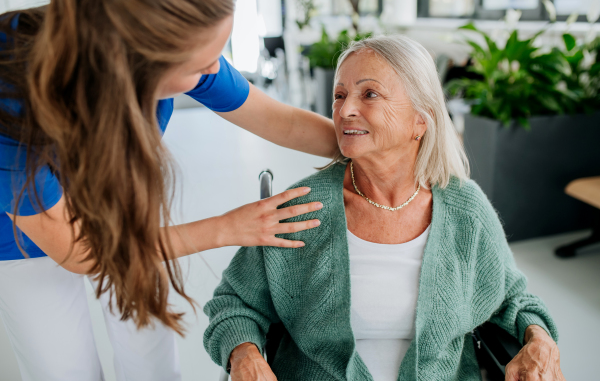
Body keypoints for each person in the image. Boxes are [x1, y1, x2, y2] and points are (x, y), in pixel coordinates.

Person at [0, 0, 335, 380]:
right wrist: (230, 227)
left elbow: (285, 122)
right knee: (63, 370)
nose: (215, 70)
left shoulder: (184, 47)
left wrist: (373, 146)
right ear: (134, 61)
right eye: (201, 65)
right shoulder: (10, 96)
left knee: (151, 359)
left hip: (119, 195)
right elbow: (83, 253)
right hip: (23, 231)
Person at [203, 35, 566, 381]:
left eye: (370, 94)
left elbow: (512, 299)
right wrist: (244, 353)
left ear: (420, 121)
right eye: (339, 95)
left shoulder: (464, 210)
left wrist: (539, 338)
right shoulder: (301, 208)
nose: (345, 110)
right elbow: (234, 303)